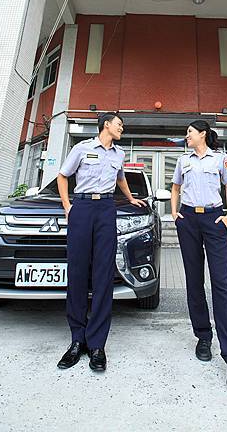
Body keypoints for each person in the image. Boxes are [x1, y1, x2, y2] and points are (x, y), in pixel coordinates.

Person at [56, 112, 145, 372]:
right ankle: (76, 340)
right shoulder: (82, 148)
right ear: (106, 125)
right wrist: (67, 207)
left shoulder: (119, 154)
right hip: (82, 207)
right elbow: (63, 175)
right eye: (119, 125)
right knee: (78, 272)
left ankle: (97, 344)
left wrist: (129, 198)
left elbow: (120, 178)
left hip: (106, 208)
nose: (122, 129)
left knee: (103, 275)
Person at [171, 120, 227, 394]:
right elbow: (175, 186)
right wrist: (175, 212)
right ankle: (203, 337)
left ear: (202, 134)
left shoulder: (221, 158)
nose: (186, 135)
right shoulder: (183, 160)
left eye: (189, 131)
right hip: (188, 219)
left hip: (214, 219)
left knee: (221, 284)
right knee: (193, 281)